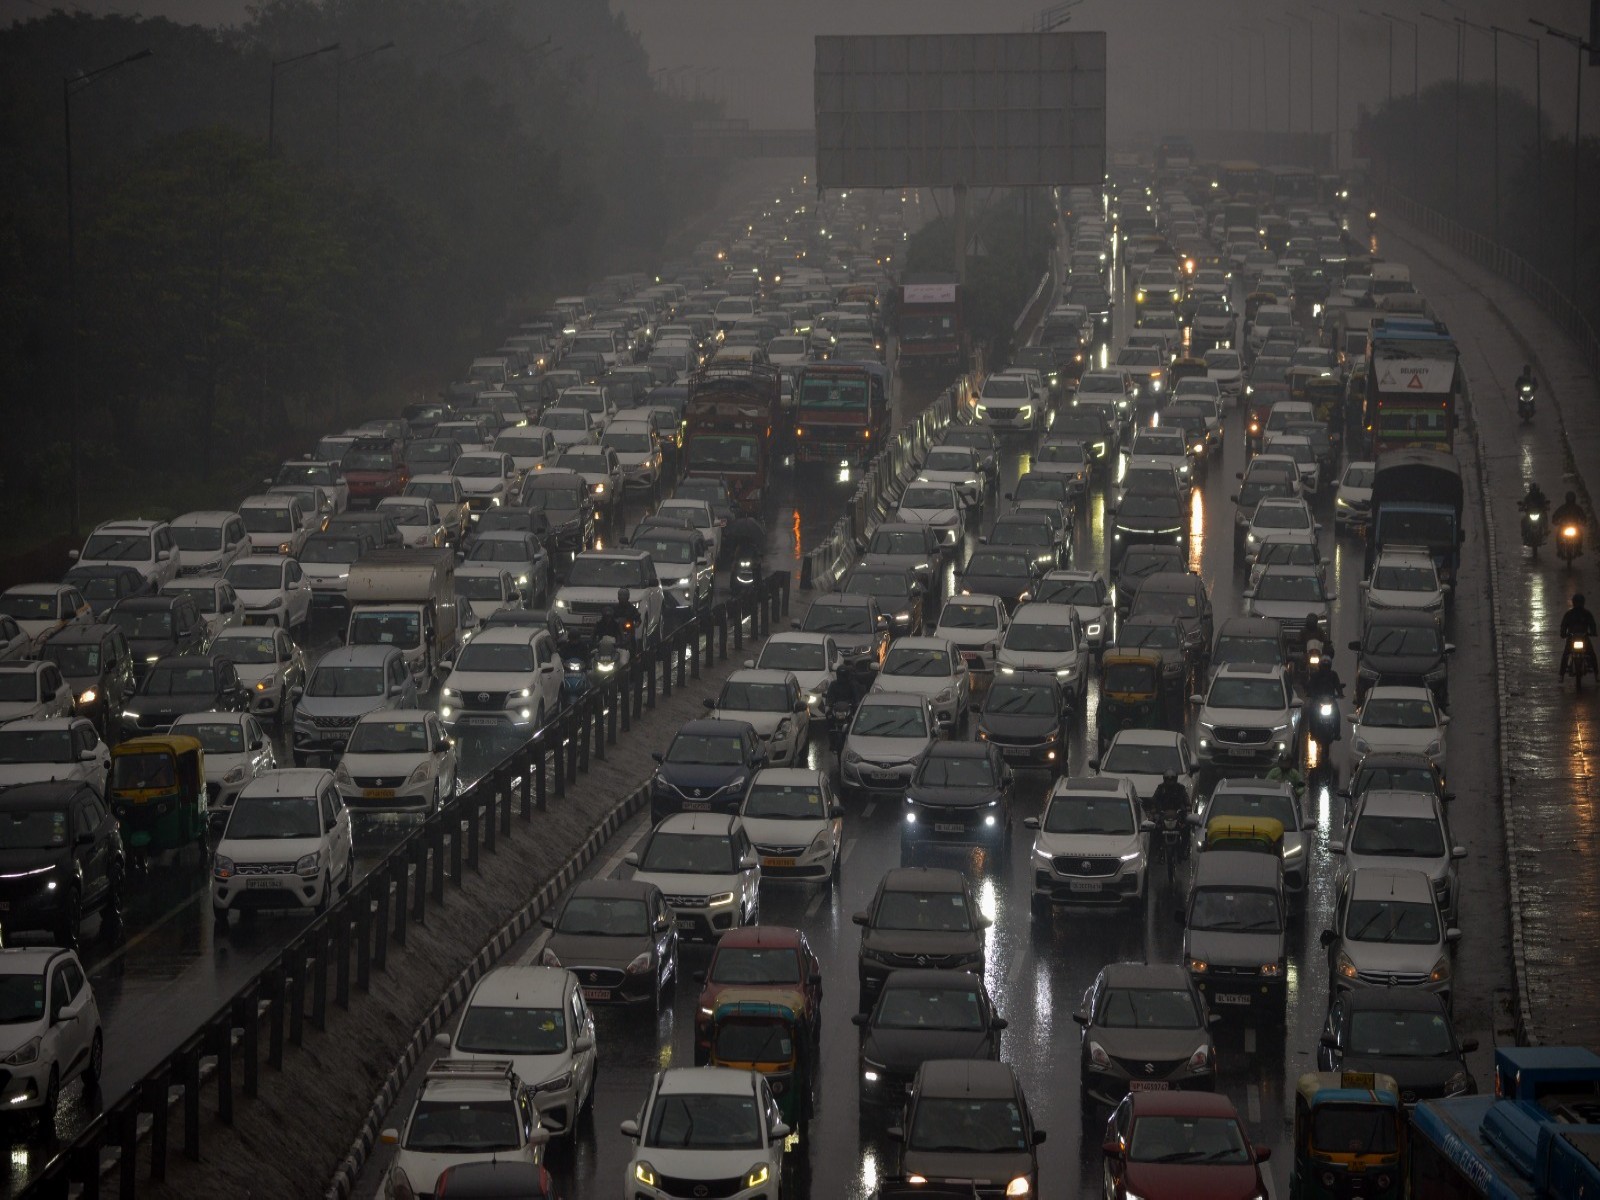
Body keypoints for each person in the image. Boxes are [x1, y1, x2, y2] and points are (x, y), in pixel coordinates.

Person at [1560, 593, 1598, 676]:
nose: (1578, 604)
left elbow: (1592, 624)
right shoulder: (1570, 614)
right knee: (1566, 655)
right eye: (1577, 602)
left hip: (1584, 638)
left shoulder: (1586, 614)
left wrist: (1593, 632)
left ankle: (1596, 674)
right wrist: (1563, 633)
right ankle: (1561, 675)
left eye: (1579, 602)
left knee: (1591, 654)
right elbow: (1564, 625)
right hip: (1572, 638)